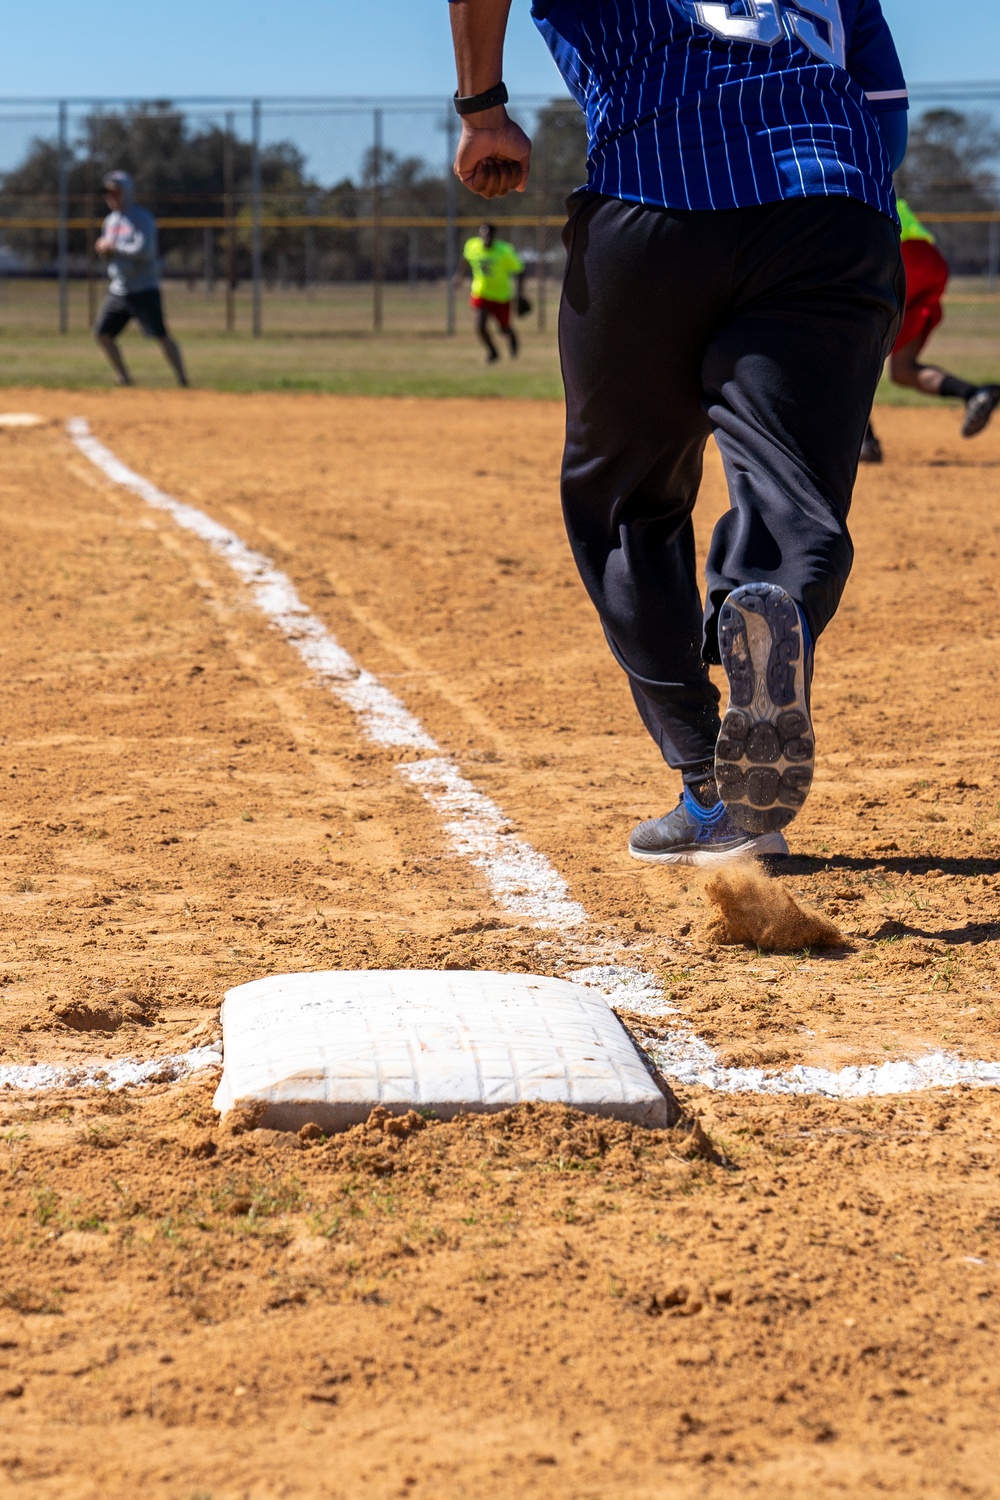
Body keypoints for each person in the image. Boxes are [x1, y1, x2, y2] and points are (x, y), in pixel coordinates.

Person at [447, 0, 908, 867]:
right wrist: (848, 198)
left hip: (656, 186)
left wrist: (482, 110)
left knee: (627, 496)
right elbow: (884, 96)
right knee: (789, 483)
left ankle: (706, 778)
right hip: (835, 202)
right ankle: (766, 608)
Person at [861, 198, 1000, 461]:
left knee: (849, 350)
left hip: (897, 255)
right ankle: (975, 394)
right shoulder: (879, 180)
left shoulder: (840, 185)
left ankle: (864, 441)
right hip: (930, 261)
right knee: (902, 369)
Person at [94, 170, 188, 388]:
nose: (110, 197)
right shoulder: (110, 222)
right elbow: (110, 256)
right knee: (102, 334)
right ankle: (124, 378)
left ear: (126, 193)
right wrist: (103, 250)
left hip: (144, 288)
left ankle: (182, 378)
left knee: (161, 335)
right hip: (119, 289)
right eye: (107, 193)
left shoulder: (141, 218)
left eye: (115, 193)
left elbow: (145, 250)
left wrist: (113, 247)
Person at [456, 221, 527, 362]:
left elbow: (519, 270)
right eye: (483, 233)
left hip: (501, 295)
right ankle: (493, 352)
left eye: (489, 234)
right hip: (481, 292)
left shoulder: (504, 251)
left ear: (494, 235)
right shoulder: (472, 246)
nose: (486, 237)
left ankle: (512, 337)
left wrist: (520, 294)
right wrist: (459, 275)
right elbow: (465, 257)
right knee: (480, 325)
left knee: (503, 329)